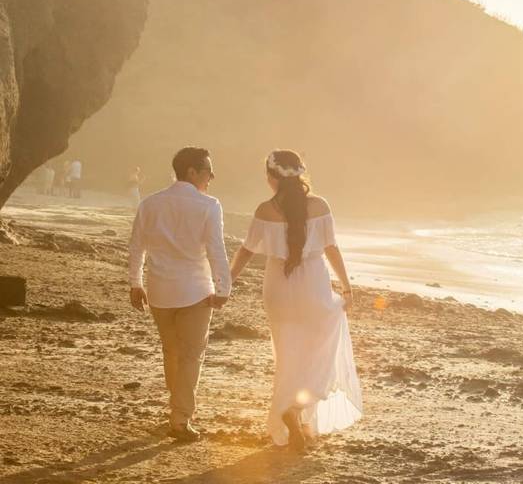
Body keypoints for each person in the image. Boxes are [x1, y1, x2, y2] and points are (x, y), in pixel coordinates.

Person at [229, 149, 362, 452]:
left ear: (271, 177)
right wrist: (346, 287)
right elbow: (331, 247)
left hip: (278, 287)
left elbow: (246, 251)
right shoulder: (319, 205)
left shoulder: (265, 210)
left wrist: (226, 283)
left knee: (287, 353)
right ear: (301, 175)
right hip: (313, 282)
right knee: (316, 350)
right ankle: (297, 411)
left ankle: (294, 412)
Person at [127, 147, 231, 442]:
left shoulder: (150, 203)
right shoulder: (209, 206)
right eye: (208, 171)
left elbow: (137, 247)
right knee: (191, 356)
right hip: (196, 291)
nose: (212, 177)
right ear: (192, 172)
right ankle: (180, 419)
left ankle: (178, 410)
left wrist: (136, 283)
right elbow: (216, 249)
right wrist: (223, 288)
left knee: (172, 351)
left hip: (159, 291)